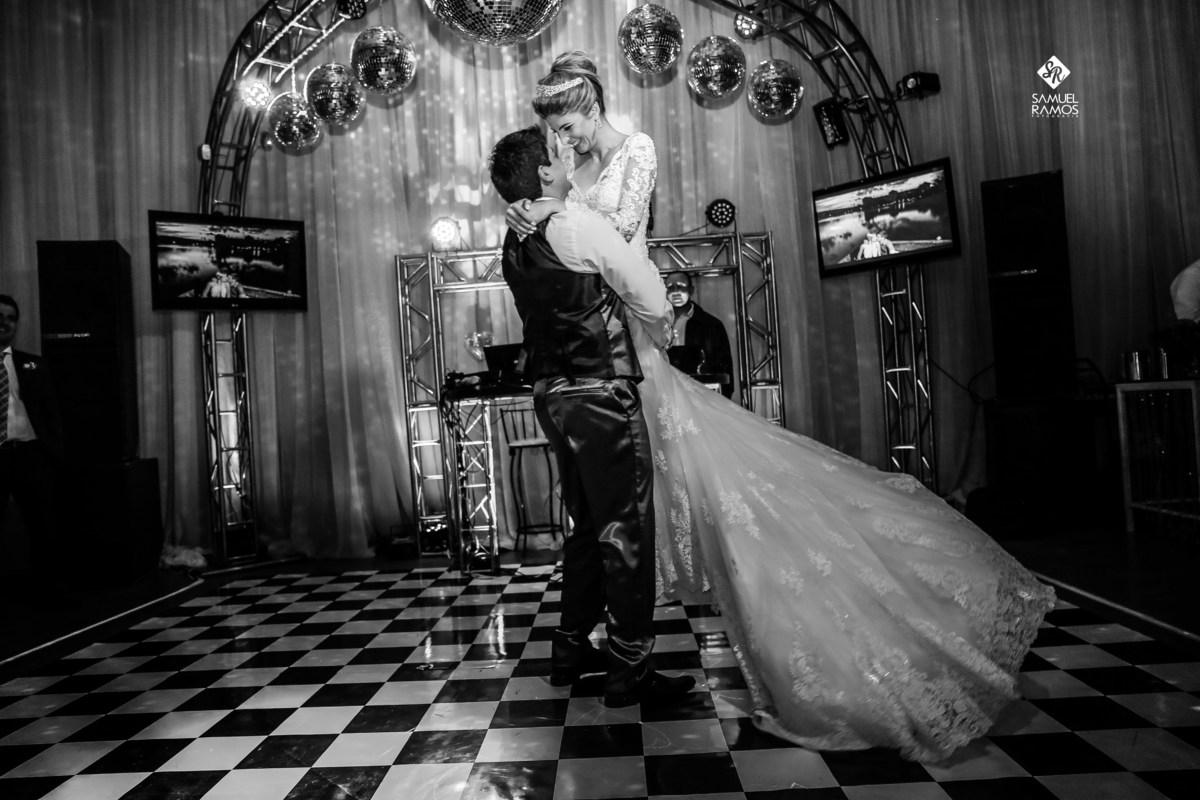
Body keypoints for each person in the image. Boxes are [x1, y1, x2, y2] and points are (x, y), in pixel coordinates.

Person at [505, 51, 1054, 762]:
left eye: (567, 126)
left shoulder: (633, 151)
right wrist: (547, 211)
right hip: (611, 358)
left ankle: (800, 646)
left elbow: (616, 238)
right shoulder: (573, 182)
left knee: (715, 511)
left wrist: (552, 211)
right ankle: (609, 651)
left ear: (590, 103)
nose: (564, 141)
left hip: (629, 353)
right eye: (555, 134)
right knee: (625, 516)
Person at [488, 126, 695, 709]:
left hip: (551, 395)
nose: (568, 153)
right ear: (546, 173)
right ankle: (628, 666)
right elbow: (649, 298)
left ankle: (571, 650)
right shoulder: (578, 226)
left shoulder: (514, 239)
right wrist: (662, 332)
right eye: (558, 153)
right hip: (600, 392)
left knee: (585, 527)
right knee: (625, 529)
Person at [0, 294, 65, 588]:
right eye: (0, 317)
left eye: (11, 318)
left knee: (44, 528)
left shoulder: (33, 364)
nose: (5, 323)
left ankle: (49, 591)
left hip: (30, 456)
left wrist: (52, 451)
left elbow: (51, 412)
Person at [664, 270, 734, 398]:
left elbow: (724, 367)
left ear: (691, 290)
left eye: (680, 286)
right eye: (670, 287)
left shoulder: (711, 325)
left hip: (703, 395)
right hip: (667, 393)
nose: (675, 292)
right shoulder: (658, 324)